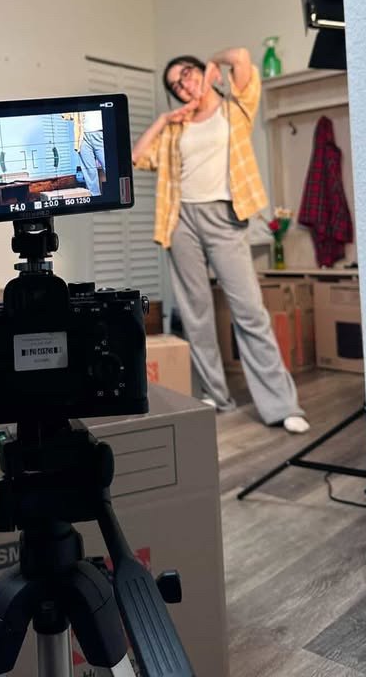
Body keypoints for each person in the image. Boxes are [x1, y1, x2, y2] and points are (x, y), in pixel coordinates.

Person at [132, 48, 309, 434]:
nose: (183, 85)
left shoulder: (236, 108)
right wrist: (163, 119)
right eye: (175, 85)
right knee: (195, 313)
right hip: (181, 220)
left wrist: (214, 62)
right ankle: (216, 394)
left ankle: (282, 405)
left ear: (204, 71)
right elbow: (137, 156)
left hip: (225, 216)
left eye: (187, 74)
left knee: (250, 312)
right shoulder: (175, 128)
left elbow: (241, 57)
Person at [60, 111, 106, 196]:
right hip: (82, 135)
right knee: (89, 171)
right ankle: (96, 198)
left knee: (110, 166)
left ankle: (118, 195)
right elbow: (66, 115)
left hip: (100, 132)